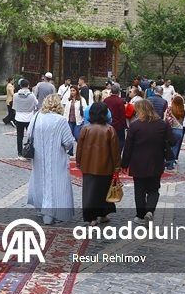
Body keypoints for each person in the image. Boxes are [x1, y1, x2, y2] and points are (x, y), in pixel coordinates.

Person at [122, 100, 178, 224]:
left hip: (138, 162)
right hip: (156, 161)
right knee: (153, 189)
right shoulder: (162, 124)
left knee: (139, 190)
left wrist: (124, 164)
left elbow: (128, 147)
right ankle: (150, 211)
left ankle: (140, 215)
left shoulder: (135, 126)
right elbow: (173, 141)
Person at [25, 94, 75, 226]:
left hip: (39, 157)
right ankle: (51, 213)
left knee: (40, 181)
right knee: (55, 184)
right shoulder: (60, 120)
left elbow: (29, 134)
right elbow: (68, 142)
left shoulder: (36, 117)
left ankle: (41, 209)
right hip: (56, 158)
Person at [75, 102, 121, 225]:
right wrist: (117, 166)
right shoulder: (109, 130)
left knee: (89, 192)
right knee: (103, 191)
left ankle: (92, 218)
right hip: (106, 166)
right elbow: (115, 151)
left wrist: (78, 162)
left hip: (88, 165)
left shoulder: (85, 129)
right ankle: (103, 214)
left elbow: (79, 148)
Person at [12, 79, 38, 159]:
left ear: (20, 86)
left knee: (19, 136)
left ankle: (19, 153)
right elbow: (36, 104)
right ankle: (30, 151)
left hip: (19, 117)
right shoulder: (32, 96)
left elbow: (14, 105)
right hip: (29, 117)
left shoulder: (15, 95)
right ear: (28, 85)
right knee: (30, 136)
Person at [167, 94, 185, 169]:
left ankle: (166, 162)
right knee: (175, 147)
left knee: (168, 147)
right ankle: (171, 164)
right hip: (179, 130)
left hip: (171, 129)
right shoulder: (183, 110)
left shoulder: (170, 109)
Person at [104, 84, 127, 153]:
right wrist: (124, 122)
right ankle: (118, 152)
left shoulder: (106, 100)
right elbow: (122, 113)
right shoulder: (119, 101)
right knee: (121, 139)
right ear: (118, 92)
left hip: (108, 123)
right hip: (118, 124)